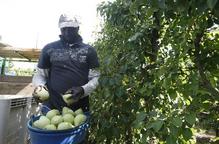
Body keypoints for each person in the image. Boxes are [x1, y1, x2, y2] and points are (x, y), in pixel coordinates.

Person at [32, 13, 100, 116]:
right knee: (49, 130)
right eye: (64, 29)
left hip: (79, 108)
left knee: (77, 131)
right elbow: (40, 75)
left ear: (77, 28)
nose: (67, 32)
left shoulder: (89, 51)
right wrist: (40, 87)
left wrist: (82, 90)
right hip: (51, 107)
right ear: (60, 29)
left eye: (71, 28)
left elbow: (96, 78)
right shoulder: (49, 49)